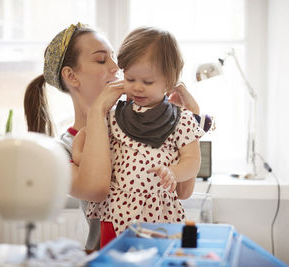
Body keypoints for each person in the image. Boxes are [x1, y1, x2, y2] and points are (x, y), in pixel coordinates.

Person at [23, 23, 207, 252]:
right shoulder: (60, 151)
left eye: (114, 58)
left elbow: (182, 192)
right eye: (101, 60)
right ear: (71, 76)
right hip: (104, 255)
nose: (115, 67)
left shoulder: (144, 119)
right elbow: (98, 189)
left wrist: (189, 120)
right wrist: (98, 110)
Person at [73, 26, 205, 248]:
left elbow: (192, 162)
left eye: (148, 82)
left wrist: (174, 172)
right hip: (115, 213)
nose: (137, 88)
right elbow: (86, 136)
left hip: (159, 216)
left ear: (169, 81)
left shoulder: (181, 119)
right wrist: (78, 156)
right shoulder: (114, 115)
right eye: (130, 78)